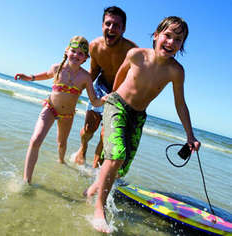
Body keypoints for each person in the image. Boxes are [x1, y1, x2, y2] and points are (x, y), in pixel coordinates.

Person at [85, 16, 201, 233]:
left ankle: (96, 185)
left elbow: (180, 104)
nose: (171, 42)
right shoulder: (136, 55)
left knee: (122, 168)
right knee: (116, 154)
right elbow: (120, 77)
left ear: (181, 45)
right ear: (156, 35)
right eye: (167, 35)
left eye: (178, 39)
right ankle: (99, 210)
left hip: (138, 116)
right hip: (118, 105)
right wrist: (110, 102)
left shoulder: (176, 71)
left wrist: (190, 136)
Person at [15, 36, 107, 184]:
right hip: (50, 108)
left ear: (85, 59)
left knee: (61, 144)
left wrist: (103, 100)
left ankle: (61, 161)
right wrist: (29, 77)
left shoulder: (85, 77)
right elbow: (45, 75)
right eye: (73, 51)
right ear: (66, 51)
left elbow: (94, 101)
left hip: (67, 115)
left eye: (80, 53)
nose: (76, 55)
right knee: (35, 139)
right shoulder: (57, 68)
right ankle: (27, 180)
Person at [73, 6, 137, 168]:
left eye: (116, 25)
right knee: (89, 129)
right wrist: (76, 91)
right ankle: (83, 148)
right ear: (102, 26)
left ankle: (95, 169)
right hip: (101, 87)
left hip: (120, 94)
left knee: (105, 135)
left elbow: (135, 79)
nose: (111, 28)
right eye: (108, 24)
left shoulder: (132, 50)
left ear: (123, 29)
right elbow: (93, 71)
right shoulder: (94, 46)